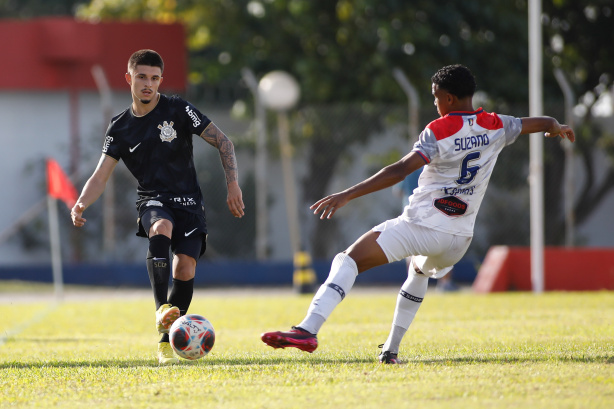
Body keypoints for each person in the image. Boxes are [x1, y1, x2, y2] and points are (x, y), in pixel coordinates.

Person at [261, 64, 575, 363]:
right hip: (459, 240)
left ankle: (307, 330)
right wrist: (555, 127)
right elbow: (537, 122)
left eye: (436, 97)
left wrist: (348, 194)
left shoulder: (439, 129)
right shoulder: (496, 124)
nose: (435, 104)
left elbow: (399, 169)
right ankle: (390, 350)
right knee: (419, 273)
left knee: (349, 260)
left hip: (422, 226)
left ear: (449, 98)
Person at [71, 49, 245, 365]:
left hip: (190, 202)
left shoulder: (178, 108)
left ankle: (168, 341)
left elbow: (224, 142)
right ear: (129, 79)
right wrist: (81, 201)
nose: (148, 84)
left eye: (154, 78)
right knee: (160, 227)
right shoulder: (120, 127)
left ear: (160, 80)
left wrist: (233, 184)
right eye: (141, 77)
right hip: (153, 199)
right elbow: (100, 175)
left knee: (185, 268)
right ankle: (160, 310)